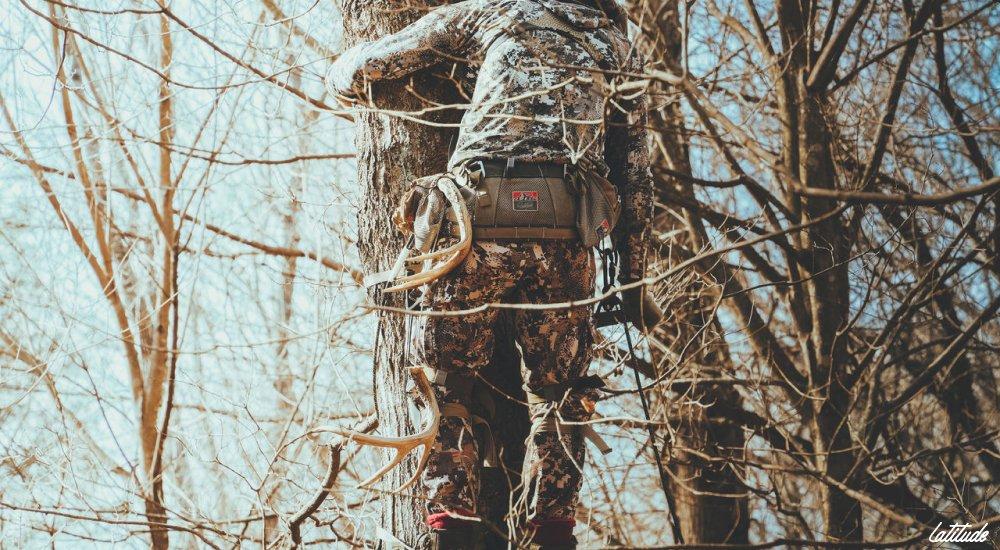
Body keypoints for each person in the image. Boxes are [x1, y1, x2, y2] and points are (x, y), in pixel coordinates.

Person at [327, 1, 653, 548]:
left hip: (478, 224)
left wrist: (337, 72)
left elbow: (369, 67)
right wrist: (635, 278)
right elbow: (635, 176)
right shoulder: (616, 45)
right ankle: (554, 529)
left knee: (443, 379)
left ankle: (451, 525)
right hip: (566, 233)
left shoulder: (497, 12)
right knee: (561, 392)